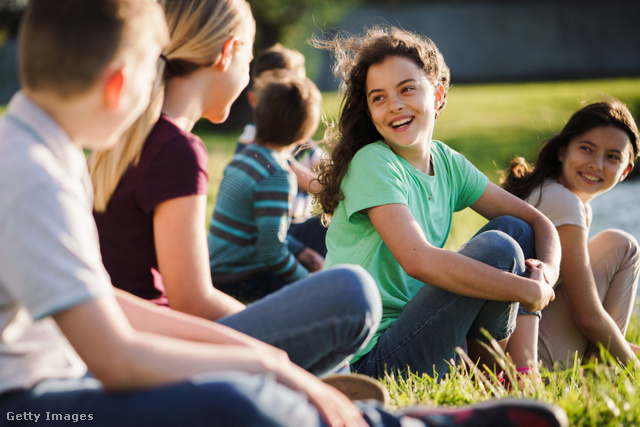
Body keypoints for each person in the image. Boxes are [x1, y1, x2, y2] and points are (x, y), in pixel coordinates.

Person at [0, 2, 571, 425]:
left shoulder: (43, 154)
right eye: (151, 72)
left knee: (292, 341)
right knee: (230, 400)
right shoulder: (32, 173)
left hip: (63, 377)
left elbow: (102, 304)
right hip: (32, 407)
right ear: (122, 82)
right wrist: (269, 369)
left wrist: (265, 355)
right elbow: (116, 357)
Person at [88, 0, 382, 385]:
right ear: (228, 52)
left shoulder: (124, 131)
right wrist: (263, 336)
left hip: (126, 339)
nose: (249, 75)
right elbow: (192, 301)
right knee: (351, 291)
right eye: (249, 58)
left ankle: (320, 384)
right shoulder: (176, 149)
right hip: (163, 349)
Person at [312, 26, 562, 382]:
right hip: (372, 360)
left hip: (426, 330)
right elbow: (419, 260)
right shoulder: (373, 162)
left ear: (439, 94)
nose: (394, 105)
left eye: (407, 89)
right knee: (497, 247)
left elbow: (538, 224)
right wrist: (525, 290)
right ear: (369, 111)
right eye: (378, 98)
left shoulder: (446, 162)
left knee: (514, 229)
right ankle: (500, 375)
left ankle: (507, 369)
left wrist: (544, 277)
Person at [502, 100, 640, 370]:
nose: (596, 164)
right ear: (563, 151)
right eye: (586, 149)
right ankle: (605, 373)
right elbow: (587, 316)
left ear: (625, 171)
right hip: (521, 353)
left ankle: (607, 365)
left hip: (514, 339)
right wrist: (633, 368)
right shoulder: (563, 202)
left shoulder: (551, 192)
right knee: (623, 246)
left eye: (612, 157)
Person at [209, 71, 325, 300]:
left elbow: (265, 232)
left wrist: (302, 252)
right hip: (241, 278)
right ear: (304, 135)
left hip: (217, 271)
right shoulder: (278, 176)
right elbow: (272, 252)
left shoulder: (247, 156)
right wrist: (308, 281)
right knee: (324, 294)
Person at [234, 43, 327, 257]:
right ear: (256, 99)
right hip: (269, 235)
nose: (295, 103)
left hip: (292, 230)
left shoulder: (300, 142)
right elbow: (319, 186)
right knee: (324, 229)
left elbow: (326, 167)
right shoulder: (255, 145)